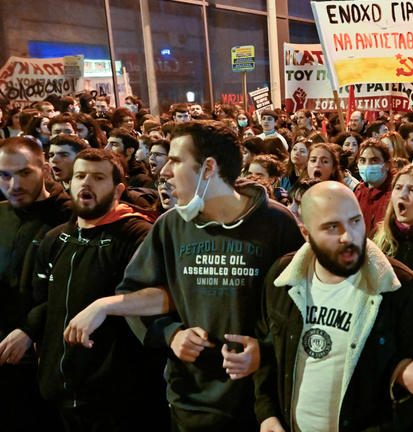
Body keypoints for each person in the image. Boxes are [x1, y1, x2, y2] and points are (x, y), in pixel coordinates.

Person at [62, 121, 305, 431]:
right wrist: (171, 334)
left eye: (176, 160)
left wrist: (266, 349)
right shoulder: (171, 225)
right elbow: (142, 291)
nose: (164, 171)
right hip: (191, 400)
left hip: (259, 403)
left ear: (208, 168)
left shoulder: (276, 223)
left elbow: (298, 308)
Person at [253, 181, 413, 431]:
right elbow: (267, 357)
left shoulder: (400, 288)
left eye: (355, 221)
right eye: (332, 227)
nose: (348, 236)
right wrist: (267, 415)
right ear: (306, 234)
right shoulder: (283, 279)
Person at [22, 149, 166, 430]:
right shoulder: (55, 239)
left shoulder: (137, 234)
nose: (86, 183)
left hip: (118, 399)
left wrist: (104, 304)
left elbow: (166, 296)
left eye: (98, 177)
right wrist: (27, 331)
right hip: (60, 392)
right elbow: (46, 305)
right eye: (80, 176)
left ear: (118, 189)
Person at [0, 137, 71, 431]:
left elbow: (73, 289)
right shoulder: (2, 214)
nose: (14, 184)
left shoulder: (70, 217)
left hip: (51, 362)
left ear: (44, 168)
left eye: (24, 173)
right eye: (5, 175)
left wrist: (31, 328)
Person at [354, 138, 393, 237]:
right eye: (362, 160)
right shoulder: (357, 191)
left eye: (374, 160)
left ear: (387, 165)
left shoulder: (394, 194)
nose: (367, 165)